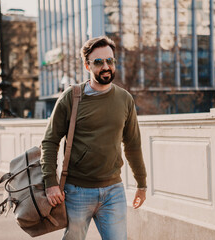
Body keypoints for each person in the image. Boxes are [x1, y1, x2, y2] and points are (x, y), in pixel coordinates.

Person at [41, 36, 147, 240]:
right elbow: (50, 141)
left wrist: (141, 184)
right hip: (76, 191)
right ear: (87, 65)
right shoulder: (71, 97)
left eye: (110, 60)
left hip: (114, 190)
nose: (106, 66)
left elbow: (133, 145)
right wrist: (50, 183)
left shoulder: (124, 99)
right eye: (99, 62)